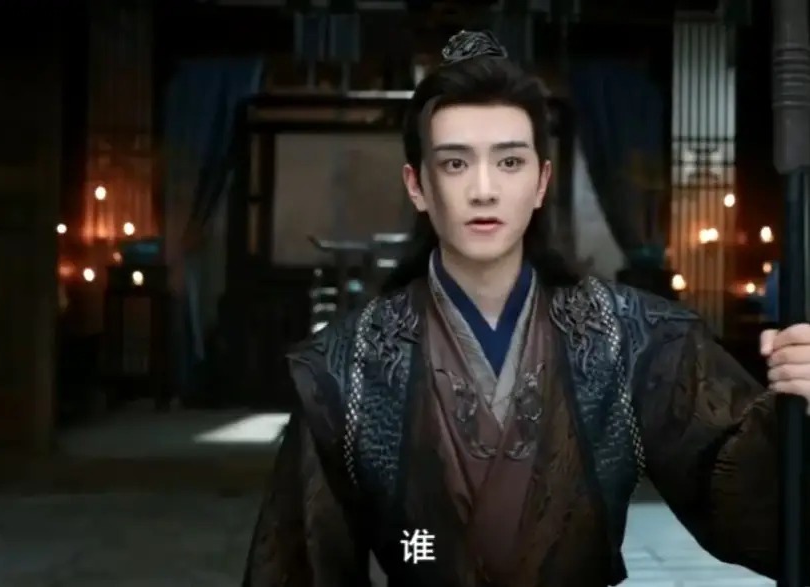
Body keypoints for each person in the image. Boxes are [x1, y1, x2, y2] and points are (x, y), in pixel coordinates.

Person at [242, 30, 810, 587]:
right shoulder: (345, 366)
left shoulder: (633, 337)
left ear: (541, 181)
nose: (484, 189)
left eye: (510, 162)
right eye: (455, 164)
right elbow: (301, 566)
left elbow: (750, 499)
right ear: (417, 185)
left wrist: (800, 408)